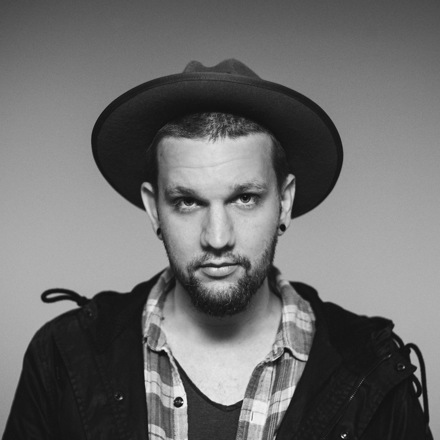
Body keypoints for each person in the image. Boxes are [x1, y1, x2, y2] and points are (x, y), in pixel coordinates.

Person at [3, 59, 432, 440]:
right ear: (154, 209)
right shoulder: (65, 356)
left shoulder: (372, 367)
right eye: (187, 202)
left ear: (284, 202)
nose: (218, 237)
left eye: (245, 198)